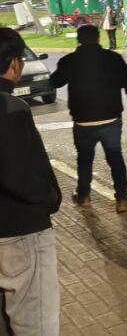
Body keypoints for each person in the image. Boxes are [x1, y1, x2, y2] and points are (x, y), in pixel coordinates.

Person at [0, 27, 63, 335]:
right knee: (34, 321)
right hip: (21, 230)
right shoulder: (10, 109)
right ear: (14, 64)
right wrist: (50, 198)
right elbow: (15, 173)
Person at [50, 24, 127, 213]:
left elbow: (55, 82)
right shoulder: (113, 58)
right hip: (110, 119)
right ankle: (122, 200)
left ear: (79, 40)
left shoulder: (69, 61)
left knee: (84, 160)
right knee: (115, 159)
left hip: (83, 122)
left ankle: (83, 197)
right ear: (99, 38)